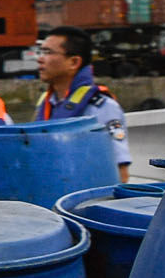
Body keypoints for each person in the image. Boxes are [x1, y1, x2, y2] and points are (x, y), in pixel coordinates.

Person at [33, 25, 130, 180]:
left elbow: (120, 172)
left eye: (48, 52)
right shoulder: (47, 103)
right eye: (40, 51)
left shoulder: (101, 107)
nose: (40, 59)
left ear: (74, 62)